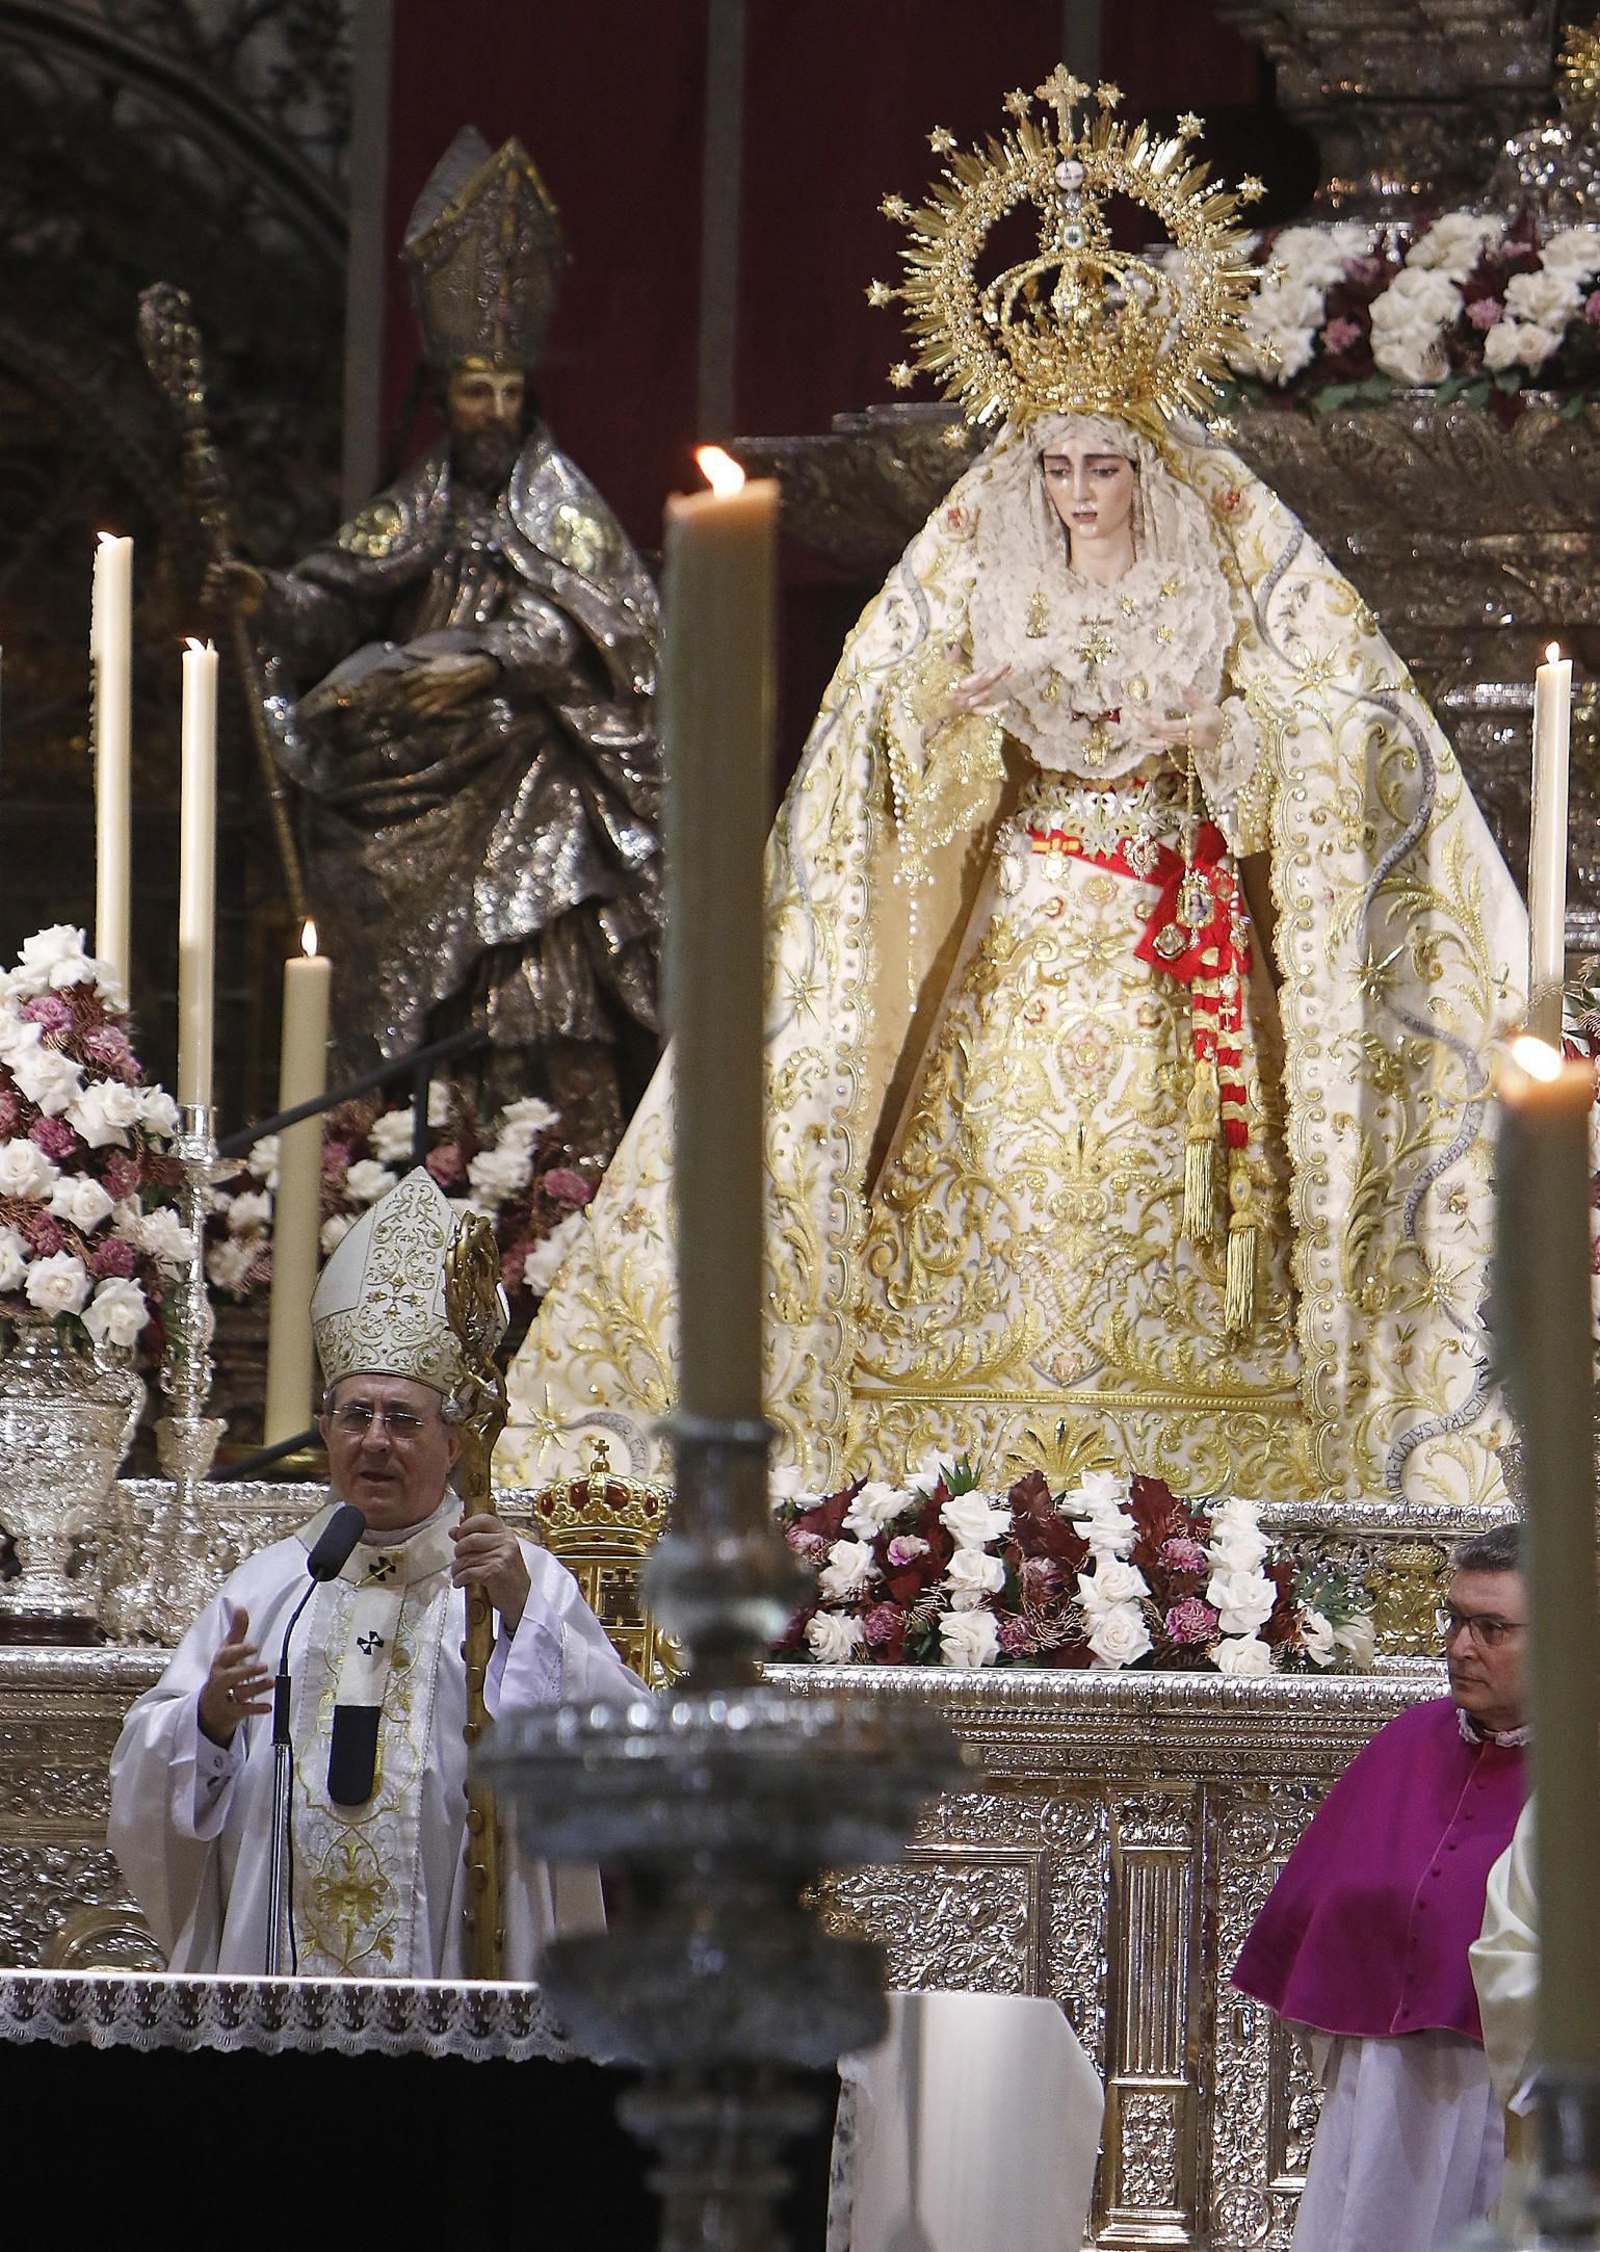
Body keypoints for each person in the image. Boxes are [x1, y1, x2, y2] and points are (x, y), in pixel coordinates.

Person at [500, 77, 1526, 1504]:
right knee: (997, 1154)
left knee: (1184, 1179)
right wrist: (956, 715)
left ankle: (1217, 1445)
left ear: (1144, 463)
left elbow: (1332, 730)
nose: (1081, 489)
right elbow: (883, 770)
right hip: (1029, 911)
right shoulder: (978, 569)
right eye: (1058, 465)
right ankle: (941, 1446)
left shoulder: (1224, 564)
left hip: (1176, 933)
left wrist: (1218, 735)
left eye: (1104, 464)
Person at [208, 129, 662, 1156]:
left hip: (529, 772)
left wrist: (490, 661)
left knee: (537, 965)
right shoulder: (422, 501)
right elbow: (335, 594)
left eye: (508, 389)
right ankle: (408, 1179)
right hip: (410, 774)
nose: (493, 411)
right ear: (443, 393)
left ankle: (552, 1188)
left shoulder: (562, 506)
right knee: (405, 999)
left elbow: (607, 622)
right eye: (474, 389)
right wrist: (265, 595)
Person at [109, 1167, 636, 1978]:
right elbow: (149, 1777)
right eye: (356, 1415)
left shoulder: (514, 1581)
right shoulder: (271, 1590)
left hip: (460, 1969)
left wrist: (523, 1618)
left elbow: (624, 1748)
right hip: (282, 1982)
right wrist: (208, 1720)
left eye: (403, 1418)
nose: (376, 1440)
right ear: (326, 1431)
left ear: (453, 1444)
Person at [1233, 1526, 1528, 2250]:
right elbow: (1323, 1905)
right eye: (1455, 1620)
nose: (1461, 1647)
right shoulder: (1407, 1740)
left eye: (1491, 1628)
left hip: (1507, 2090)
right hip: (1380, 2082)